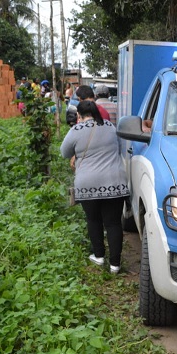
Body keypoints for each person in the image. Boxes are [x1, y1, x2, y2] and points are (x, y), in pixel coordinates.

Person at [60, 100, 129, 274]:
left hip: (87, 183)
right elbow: (119, 149)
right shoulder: (111, 127)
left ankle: (99, 256)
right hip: (114, 182)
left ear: (79, 115)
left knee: (93, 220)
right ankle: (115, 265)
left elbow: (64, 153)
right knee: (113, 223)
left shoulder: (75, 130)